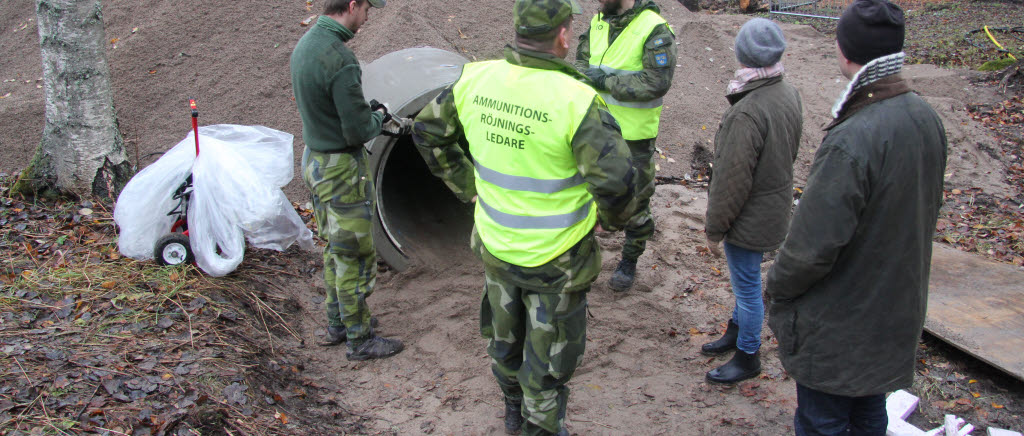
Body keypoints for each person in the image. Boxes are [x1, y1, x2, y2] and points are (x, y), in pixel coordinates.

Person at [412, 0, 638, 433]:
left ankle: (512, 407)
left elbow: (427, 132)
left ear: (517, 29)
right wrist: (609, 218)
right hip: (558, 260)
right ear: (564, 36)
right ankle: (540, 425)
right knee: (548, 358)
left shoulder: (475, 78)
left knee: (505, 338)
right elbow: (618, 183)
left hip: (497, 247)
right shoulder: (576, 100)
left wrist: (469, 189)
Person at [765, 1, 947, 434]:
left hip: (840, 325)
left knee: (824, 421)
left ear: (844, 52)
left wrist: (777, 287)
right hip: (893, 313)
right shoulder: (926, 118)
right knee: (868, 414)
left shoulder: (853, 138)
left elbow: (811, 248)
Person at [290, 0, 408, 361]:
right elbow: (357, 130)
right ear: (353, 4)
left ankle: (337, 323)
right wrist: (379, 118)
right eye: (368, 9)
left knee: (334, 249)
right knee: (354, 254)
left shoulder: (307, 44)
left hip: (315, 161)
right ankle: (359, 339)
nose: (368, 17)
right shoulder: (339, 59)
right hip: (342, 170)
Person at [702, 17, 803, 384]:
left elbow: (731, 182)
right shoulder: (788, 91)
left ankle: (748, 356)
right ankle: (734, 331)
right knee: (744, 283)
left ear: (742, 55)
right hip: (774, 208)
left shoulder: (747, 111)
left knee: (747, 290)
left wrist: (714, 230)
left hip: (749, 218)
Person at [575, 0, 676, 292]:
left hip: (633, 137)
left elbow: (656, 82)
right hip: (593, 128)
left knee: (636, 201)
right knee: (584, 193)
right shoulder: (598, 21)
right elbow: (582, 62)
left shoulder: (654, 29)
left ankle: (629, 260)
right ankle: (581, 255)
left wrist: (606, 82)